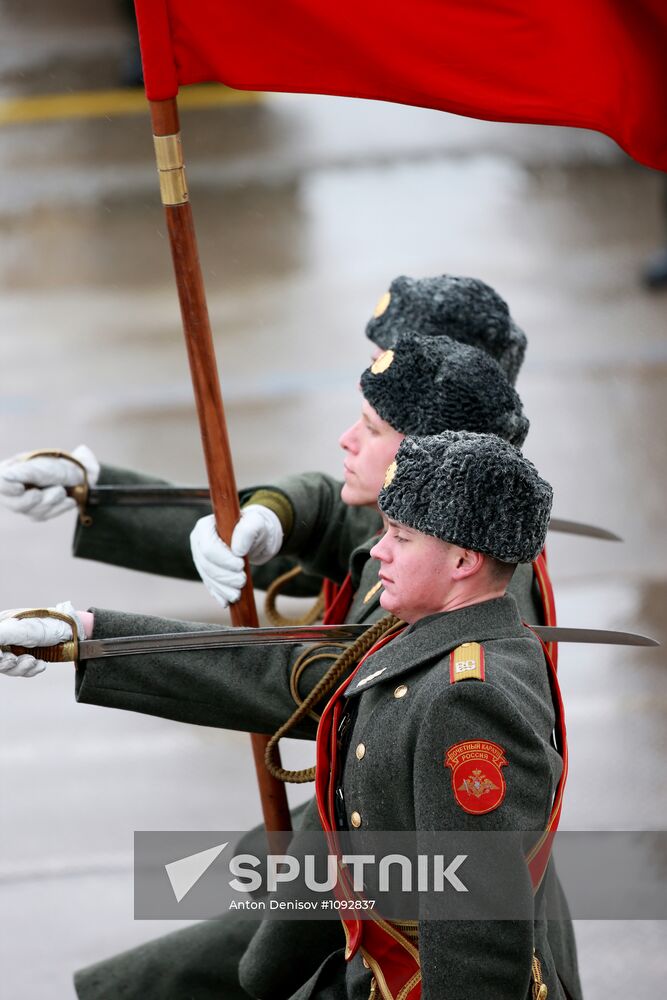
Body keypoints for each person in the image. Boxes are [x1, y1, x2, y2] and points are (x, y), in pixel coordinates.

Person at [0, 334, 581, 999]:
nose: (346, 440)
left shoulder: (466, 667)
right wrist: (109, 497)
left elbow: (304, 677)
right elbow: (329, 512)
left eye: (371, 426)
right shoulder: (441, 542)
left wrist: (91, 640)